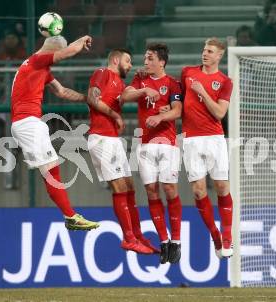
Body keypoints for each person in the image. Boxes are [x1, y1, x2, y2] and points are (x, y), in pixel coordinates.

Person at [10, 35, 99, 230]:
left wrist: (87, 99)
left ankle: (70, 215)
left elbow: (62, 92)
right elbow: (68, 53)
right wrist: (82, 40)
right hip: (28, 123)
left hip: (29, 123)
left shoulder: (40, 68)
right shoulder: (36, 60)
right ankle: (70, 216)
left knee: (51, 170)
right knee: (51, 171)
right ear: (53, 50)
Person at [86, 48, 158, 255]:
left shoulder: (119, 83)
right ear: (115, 60)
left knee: (129, 187)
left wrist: (141, 80)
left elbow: (129, 93)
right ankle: (128, 239)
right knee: (119, 188)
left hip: (112, 140)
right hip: (101, 138)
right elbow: (92, 98)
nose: (130, 65)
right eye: (127, 61)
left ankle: (137, 235)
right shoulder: (103, 73)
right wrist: (115, 115)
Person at [121, 43, 183, 264]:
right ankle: (164, 240)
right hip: (145, 143)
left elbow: (178, 110)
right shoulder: (140, 80)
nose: (145, 62)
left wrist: (160, 117)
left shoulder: (172, 84)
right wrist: (143, 90)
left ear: (161, 62)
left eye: (149, 58)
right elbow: (125, 95)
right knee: (151, 191)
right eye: (145, 58)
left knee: (169, 188)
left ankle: (176, 240)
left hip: (167, 142)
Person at [181, 38, 234, 259]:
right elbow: (178, 99)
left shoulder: (224, 81)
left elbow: (220, 114)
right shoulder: (187, 72)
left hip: (214, 138)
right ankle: (216, 236)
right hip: (191, 139)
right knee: (198, 191)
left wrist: (202, 91)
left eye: (210, 51)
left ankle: (228, 235)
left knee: (222, 187)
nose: (205, 54)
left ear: (219, 55)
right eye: (204, 50)